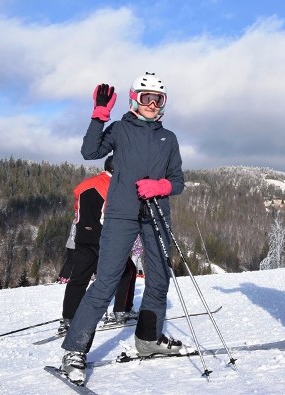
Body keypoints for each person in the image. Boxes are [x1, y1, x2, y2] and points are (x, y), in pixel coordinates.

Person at [60, 72, 185, 384]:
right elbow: (90, 151)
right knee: (106, 282)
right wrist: (98, 116)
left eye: (158, 99)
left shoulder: (168, 138)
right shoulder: (119, 129)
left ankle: (148, 340)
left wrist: (160, 185)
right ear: (135, 100)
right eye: (147, 98)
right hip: (121, 215)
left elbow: (178, 181)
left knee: (159, 280)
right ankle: (75, 350)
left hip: (156, 214)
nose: (153, 104)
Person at [58, 155, 139, 335]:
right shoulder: (114, 187)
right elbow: (118, 214)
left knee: (79, 279)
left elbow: (77, 205)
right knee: (128, 272)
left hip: (82, 237)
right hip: (104, 239)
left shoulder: (85, 184)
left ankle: (68, 318)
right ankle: (122, 311)